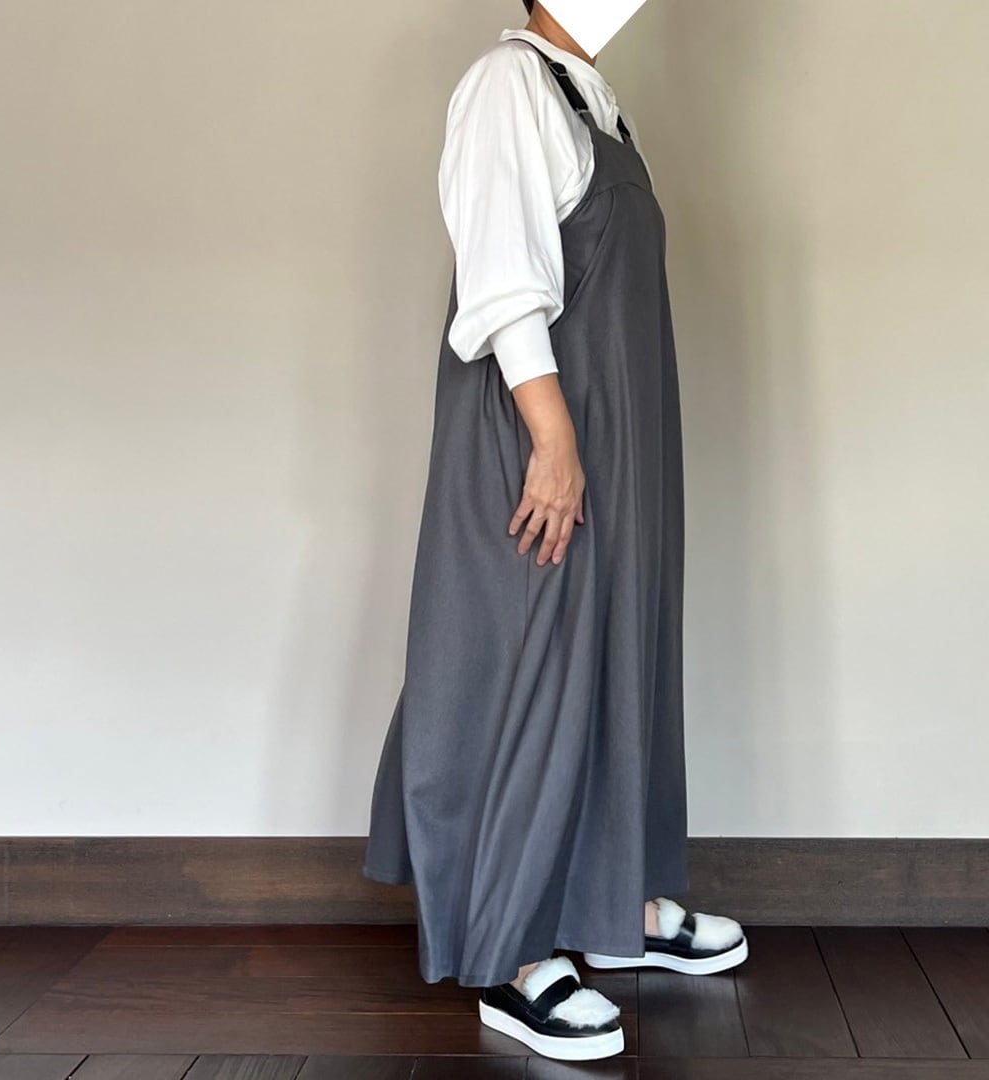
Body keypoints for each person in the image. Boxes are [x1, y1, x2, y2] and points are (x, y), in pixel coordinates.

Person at [362, 1, 748, 1061]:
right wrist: (553, 438)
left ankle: (619, 902)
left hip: (614, 439)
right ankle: (515, 958)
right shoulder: (509, 84)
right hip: (545, 437)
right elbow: (501, 275)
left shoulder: (594, 102)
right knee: (523, 673)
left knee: (617, 660)